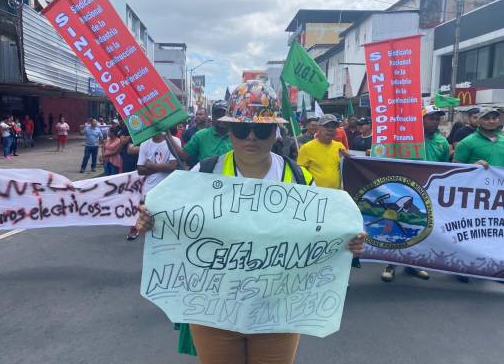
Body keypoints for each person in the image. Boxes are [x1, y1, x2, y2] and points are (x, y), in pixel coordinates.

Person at [134, 80, 366, 364]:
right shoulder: (204, 174)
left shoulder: (300, 179)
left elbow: (324, 233)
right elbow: (170, 222)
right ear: (230, 131)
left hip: (278, 312)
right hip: (214, 313)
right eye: (242, 129)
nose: (251, 138)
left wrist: (349, 242)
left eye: (262, 129)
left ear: (276, 132)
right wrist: (150, 221)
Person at [381, 105, 450, 282]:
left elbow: (444, 167)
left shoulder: (442, 142)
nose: (435, 122)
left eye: (437, 119)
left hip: (428, 192)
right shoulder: (405, 138)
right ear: (421, 119)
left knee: (420, 225)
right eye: (431, 118)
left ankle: (414, 264)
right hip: (405, 190)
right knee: (397, 224)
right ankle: (390, 263)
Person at [128, 131, 181, 241]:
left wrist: (150, 165)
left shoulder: (174, 141)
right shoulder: (144, 144)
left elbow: (172, 167)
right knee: (150, 223)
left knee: (168, 221)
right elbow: (140, 170)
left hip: (169, 189)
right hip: (150, 190)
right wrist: (161, 167)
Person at [168, 101, 232, 167]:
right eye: (218, 115)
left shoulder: (238, 137)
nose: (221, 118)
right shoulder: (201, 135)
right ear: (213, 117)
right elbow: (183, 155)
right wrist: (168, 135)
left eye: (225, 115)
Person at [297, 114, 347, 190]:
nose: (330, 129)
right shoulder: (306, 148)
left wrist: (347, 158)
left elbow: (347, 168)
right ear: (318, 128)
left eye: (333, 127)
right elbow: (300, 173)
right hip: (315, 194)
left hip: (335, 194)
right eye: (327, 126)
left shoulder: (339, 147)